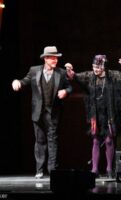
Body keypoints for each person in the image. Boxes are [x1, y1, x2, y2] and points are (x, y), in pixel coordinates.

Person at [65, 55, 121, 178]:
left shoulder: (113, 76)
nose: (95, 69)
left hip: (110, 113)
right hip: (95, 114)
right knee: (96, 140)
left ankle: (109, 169)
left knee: (108, 140)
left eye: (98, 67)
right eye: (94, 66)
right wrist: (69, 70)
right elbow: (73, 76)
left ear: (104, 67)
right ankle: (94, 170)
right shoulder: (89, 76)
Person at [12, 46, 72, 178]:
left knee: (53, 140)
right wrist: (18, 82)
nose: (55, 60)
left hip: (53, 112)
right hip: (38, 112)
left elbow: (69, 87)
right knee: (39, 141)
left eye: (56, 58)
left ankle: (53, 171)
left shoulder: (61, 73)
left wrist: (66, 92)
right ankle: (39, 170)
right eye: (52, 57)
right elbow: (25, 81)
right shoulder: (34, 71)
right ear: (45, 58)